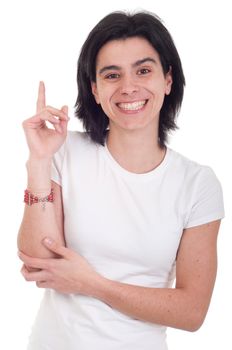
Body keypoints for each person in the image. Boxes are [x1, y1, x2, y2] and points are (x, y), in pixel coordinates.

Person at [17, 10, 225, 350]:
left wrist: (92, 284)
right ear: (95, 90)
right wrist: (39, 162)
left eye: (143, 70)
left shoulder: (197, 184)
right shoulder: (64, 150)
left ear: (167, 80)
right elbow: (37, 260)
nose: (129, 87)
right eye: (112, 75)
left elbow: (192, 311)